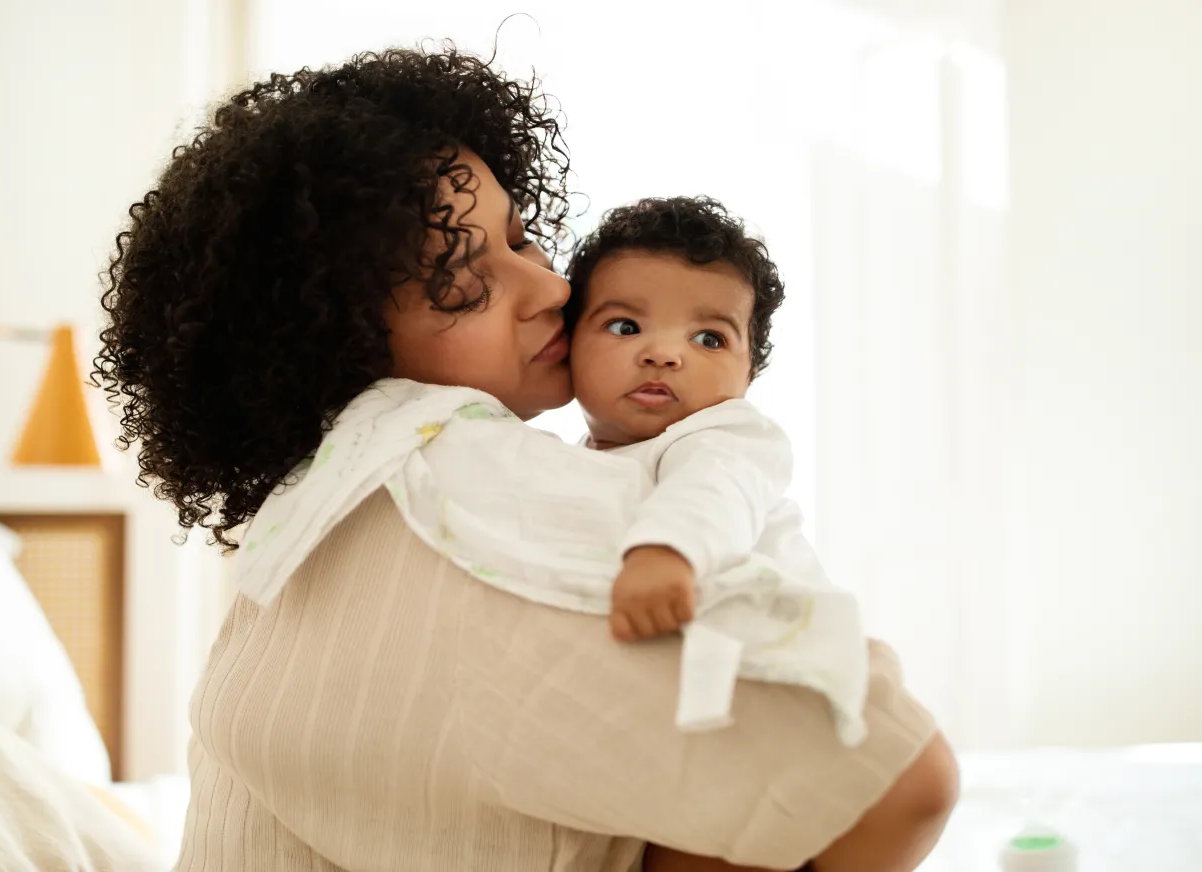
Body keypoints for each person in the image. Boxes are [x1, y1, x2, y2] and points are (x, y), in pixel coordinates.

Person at [94, 45, 957, 872]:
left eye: (523, 239)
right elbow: (900, 777)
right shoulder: (457, 491)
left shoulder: (318, 513)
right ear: (337, 347)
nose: (551, 289)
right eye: (467, 287)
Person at [563, 196, 866, 872]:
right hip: (687, 720)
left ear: (747, 374)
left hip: (774, 692)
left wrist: (666, 552)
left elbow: (714, 494)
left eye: (709, 339)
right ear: (567, 346)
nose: (664, 354)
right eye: (623, 325)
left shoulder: (725, 436)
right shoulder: (578, 464)